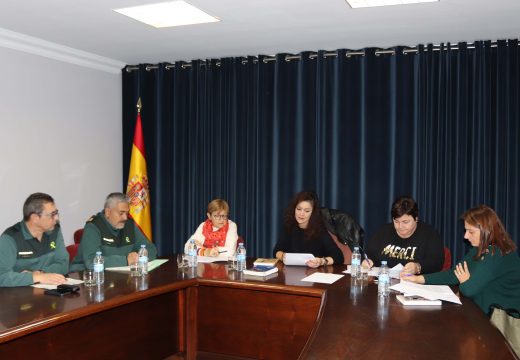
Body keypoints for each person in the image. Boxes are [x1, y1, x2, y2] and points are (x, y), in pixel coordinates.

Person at [402, 205, 520, 315]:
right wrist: (417, 279)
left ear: (487, 231)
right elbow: (454, 274)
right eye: (466, 230)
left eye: (471, 232)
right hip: (482, 312)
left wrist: (465, 281)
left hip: (504, 318)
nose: (466, 236)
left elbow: (468, 290)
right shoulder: (479, 248)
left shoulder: (496, 253)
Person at [70, 192, 157, 271]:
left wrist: (139, 257)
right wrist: (126, 260)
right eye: (121, 213)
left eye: (126, 213)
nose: (125, 218)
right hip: (87, 277)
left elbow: (150, 248)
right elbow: (91, 261)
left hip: (119, 277)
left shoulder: (129, 224)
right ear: (108, 212)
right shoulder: (93, 227)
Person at [362, 196, 444, 275]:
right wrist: (367, 261)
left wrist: (417, 267)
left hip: (415, 284)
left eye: (405, 222)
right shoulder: (384, 232)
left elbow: (436, 262)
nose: (400, 226)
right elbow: (368, 253)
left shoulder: (429, 234)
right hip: (384, 282)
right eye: (396, 221)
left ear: (416, 219)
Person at [0, 193, 68, 287]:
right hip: (18, 296)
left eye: (56, 213)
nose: (56, 218)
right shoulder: (10, 238)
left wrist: (42, 273)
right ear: (35, 218)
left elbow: (64, 263)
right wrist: (34, 277)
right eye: (52, 214)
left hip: (48, 291)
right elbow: (2, 277)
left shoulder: (54, 229)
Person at [273, 191, 344, 268]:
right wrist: (283, 256)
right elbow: (276, 251)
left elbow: (339, 257)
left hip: (314, 274)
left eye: (307, 211)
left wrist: (321, 261)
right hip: (291, 274)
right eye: (299, 209)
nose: (301, 214)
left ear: (313, 213)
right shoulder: (289, 226)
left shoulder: (319, 230)